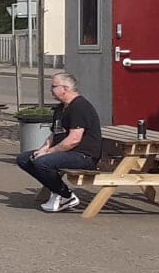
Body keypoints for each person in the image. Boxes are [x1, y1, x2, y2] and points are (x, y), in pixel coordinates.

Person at [15, 71, 102, 212]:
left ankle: (65, 196)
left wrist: (49, 153)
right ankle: (59, 191)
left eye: (54, 86)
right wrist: (43, 149)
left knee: (42, 162)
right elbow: (54, 134)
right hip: (66, 153)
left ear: (65, 88)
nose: (51, 90)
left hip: (83, 155)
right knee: (25, 159)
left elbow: (74, 140)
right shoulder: (61, 108)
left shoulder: (80, 107)